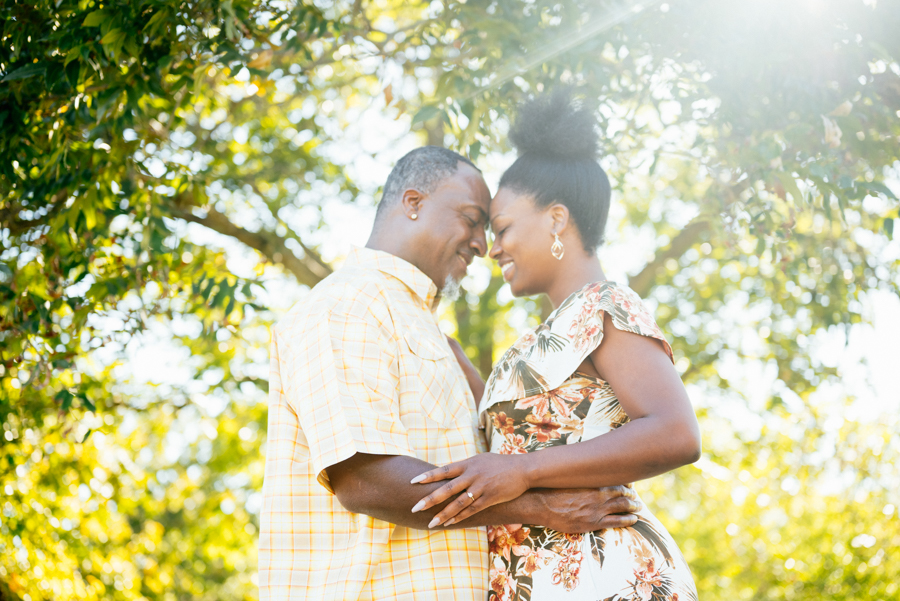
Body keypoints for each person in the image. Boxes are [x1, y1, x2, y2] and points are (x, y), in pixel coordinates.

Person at [258, 145, 643, 601]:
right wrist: (542, 507)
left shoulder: (428, 332)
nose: (482, 244)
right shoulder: (350, 303)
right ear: (414, 203)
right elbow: (365, 479)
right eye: (472, 218)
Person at [408, 93, 702, 600]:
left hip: (604, 577)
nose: (492, 247)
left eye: (502, 228)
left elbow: (676, 432)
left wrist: (523, 472)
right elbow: (516, 439)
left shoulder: (606, 306)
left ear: (556, 219)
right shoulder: (543, 338)